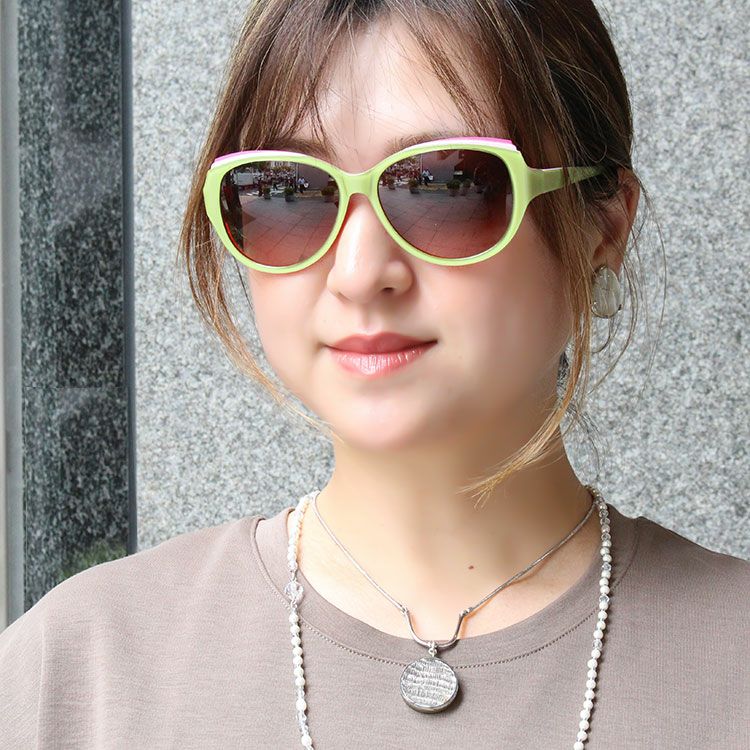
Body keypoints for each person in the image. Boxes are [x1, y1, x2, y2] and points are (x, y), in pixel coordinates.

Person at [1, 1, 749, 748]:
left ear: (603, 226)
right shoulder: (74, 673)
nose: (359, 273)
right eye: (288, 191)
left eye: (446, 185)